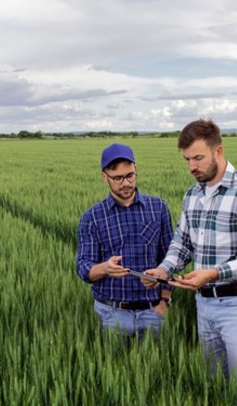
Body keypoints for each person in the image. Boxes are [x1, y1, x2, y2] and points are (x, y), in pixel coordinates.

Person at [142, 119, 237, 405]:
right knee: (214, 389)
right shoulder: (193, 195)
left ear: (218, 151)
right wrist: (164, 269)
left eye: (198, 158)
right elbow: (182, 242)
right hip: (205, 305)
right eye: (187, 159)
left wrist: (214, 273)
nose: (192, 166)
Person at [76, 143, 174, 343]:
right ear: (105, 177)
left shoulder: (158, 208)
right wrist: (104, 268)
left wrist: (165, 301)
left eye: (130, 175)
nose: (126, 183)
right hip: (112, 313)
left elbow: (170, 258)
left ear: (136, 170)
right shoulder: (92, 217)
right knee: (113, 368)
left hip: (153, 311)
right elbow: (83, 268)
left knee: (155, 372)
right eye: (118, 178)